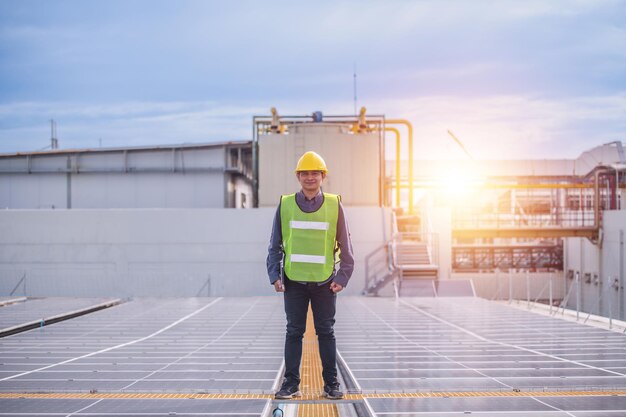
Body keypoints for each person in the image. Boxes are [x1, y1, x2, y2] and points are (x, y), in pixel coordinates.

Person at [266, 151, 354, 400]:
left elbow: (346, 244)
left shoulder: (334, 204)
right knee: (294, 332)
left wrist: (343, 276)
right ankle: (291, 384)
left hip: (325, 282)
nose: (310, 177)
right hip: (294, 281)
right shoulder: (285, 204)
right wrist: (275, 274)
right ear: (298, 176)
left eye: (315, 173)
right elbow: (274, 244)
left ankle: (331, 384)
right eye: (305, 173)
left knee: (326, 332)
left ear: (323, 176)